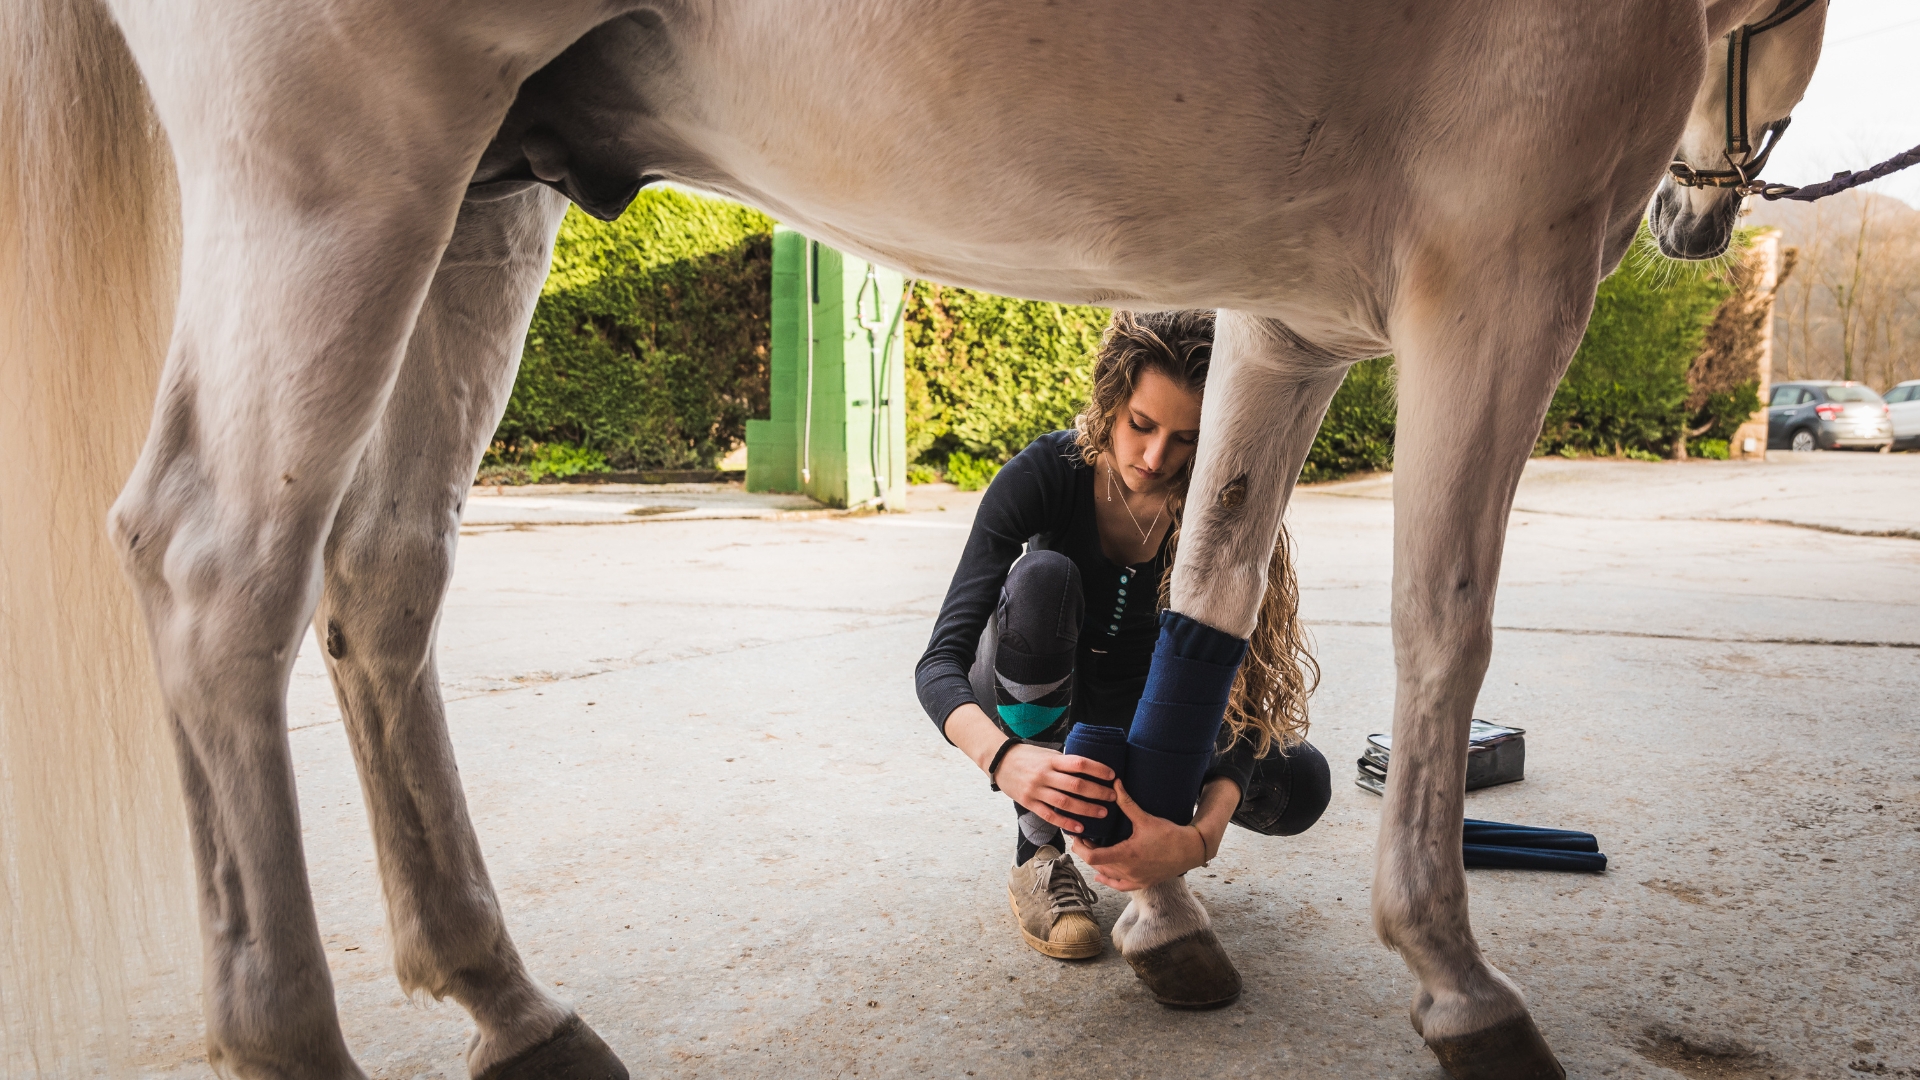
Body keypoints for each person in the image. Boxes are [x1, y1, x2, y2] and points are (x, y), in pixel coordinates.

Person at [915, 310, 1332, 961]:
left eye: (1185, 438)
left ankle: (1143, 828)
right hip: (1036, 695)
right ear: (1111, 403)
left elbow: (1245, 689)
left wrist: (1199, 839)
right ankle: (1039, 851)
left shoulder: (1218, 502)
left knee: (1300, 785)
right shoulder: (1044, 474)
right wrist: (1003, 758)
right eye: (1141, 424)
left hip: (1151, 721)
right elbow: (939, 660)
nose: (1156, 456)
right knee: (1043, 577)